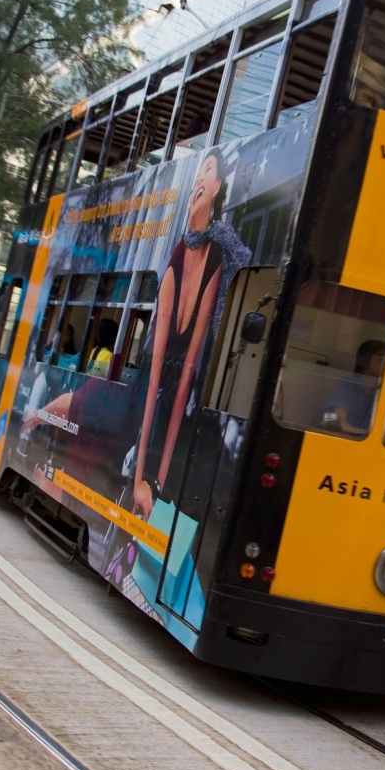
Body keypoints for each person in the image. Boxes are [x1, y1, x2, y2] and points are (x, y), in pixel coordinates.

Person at [131, 148, 250, 520]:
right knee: (158, 403)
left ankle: (162, 490)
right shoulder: (174, 264)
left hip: (190, 405)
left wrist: (159, 481)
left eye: (207, 173)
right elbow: (153, 380)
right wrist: (141, 479)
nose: (198, 179)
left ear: (216, 188)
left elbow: (187, 377)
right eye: (197, 173)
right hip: (151, 403)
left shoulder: (217, 259)